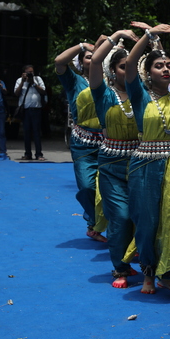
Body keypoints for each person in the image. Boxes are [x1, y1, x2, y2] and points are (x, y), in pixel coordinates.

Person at [124, 23, 170, 295]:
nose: (165, 69)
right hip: (145, 167)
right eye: (158, 66)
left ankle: (168, 274)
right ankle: (148, 273)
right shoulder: (139, 95)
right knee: (148, 220)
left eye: (168, 66)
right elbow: (128, 66)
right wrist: (149, 38)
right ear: (147, 73)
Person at [89, 29, 140, 288]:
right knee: (120, 216)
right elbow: (95, 61)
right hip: (111, 164)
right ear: (113, 71)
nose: (129, 70)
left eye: (132, 66)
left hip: (142, 163)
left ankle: (144, 262)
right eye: (123, 66)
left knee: (142, 215)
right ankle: (120, 267)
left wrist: (151, 40)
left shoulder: (144, 92)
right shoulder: (103, 94)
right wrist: (116, 35)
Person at [55, 38, 107, 242]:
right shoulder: (74, 80)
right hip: (83, 144)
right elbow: (59, 61)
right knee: (87, 187)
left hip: (110, 144)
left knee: (111, 189)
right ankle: (94, 221)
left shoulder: (109, 81)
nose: (94, 58)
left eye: (97, 56)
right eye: (88, 56)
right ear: (81, 61)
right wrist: (83, 46)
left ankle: (113, 230)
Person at [15, 65, 46, 161]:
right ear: (23, 73)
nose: (30, 74)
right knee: (26, 132)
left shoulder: (38, 79)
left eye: (32, 72)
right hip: (26, 109)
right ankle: (27, 154)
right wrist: (23, 82)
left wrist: (33, 83)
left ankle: (39, 154)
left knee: (36, 132)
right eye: (28, 72)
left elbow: (43, 91)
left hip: (36, 109)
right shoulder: (20, 80)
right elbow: (16, 93)